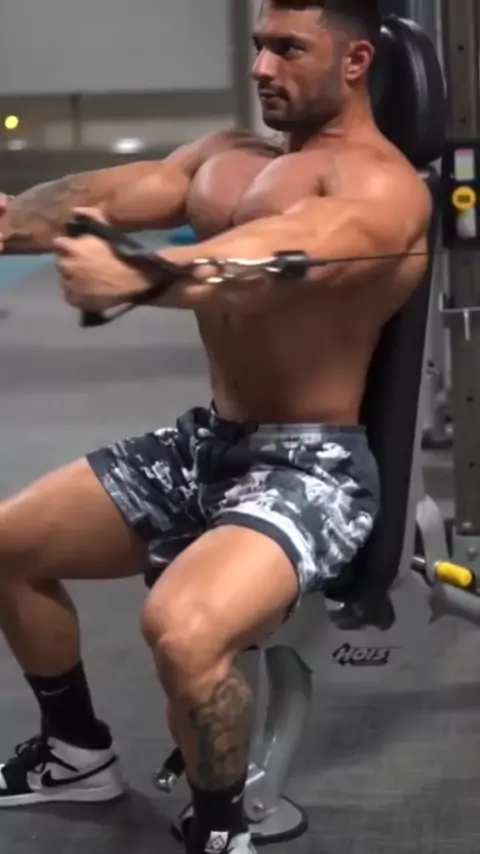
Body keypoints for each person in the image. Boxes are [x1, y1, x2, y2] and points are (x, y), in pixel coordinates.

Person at [0, 1, 431, 852]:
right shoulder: (226, 157)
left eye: (290, 49)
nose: (263, 67)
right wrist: (15, 220)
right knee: (10, 545)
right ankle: (76, 751)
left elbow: (286, 257)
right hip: (208, 444)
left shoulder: (382, 189)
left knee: (184, 631)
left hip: (310, 470)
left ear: (355, 62)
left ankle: (222, 827)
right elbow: (97, 196)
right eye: (260, 46)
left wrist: (146, 275)